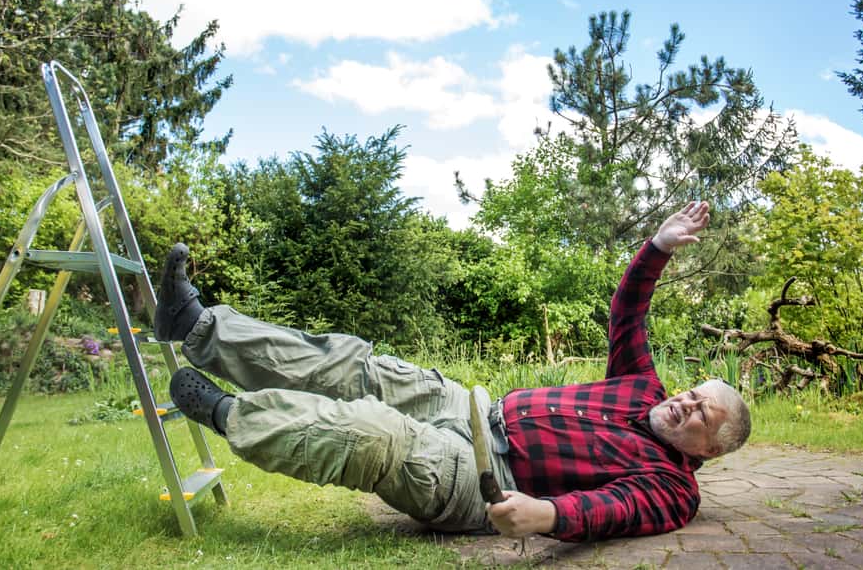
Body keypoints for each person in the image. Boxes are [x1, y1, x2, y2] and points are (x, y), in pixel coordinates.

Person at [157, 201, 750, 542]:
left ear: (710, 450)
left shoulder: (674, 490)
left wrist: (542, 514)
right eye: (693, 393)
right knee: (354, 365)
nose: (685, 404)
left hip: (482, 479)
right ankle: (196, 327)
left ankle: (227, 413)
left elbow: (609, 511)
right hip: (470, 405)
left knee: (376, 435)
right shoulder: (642, 384)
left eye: (702, 414)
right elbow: (629, 310)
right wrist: (658, 247)